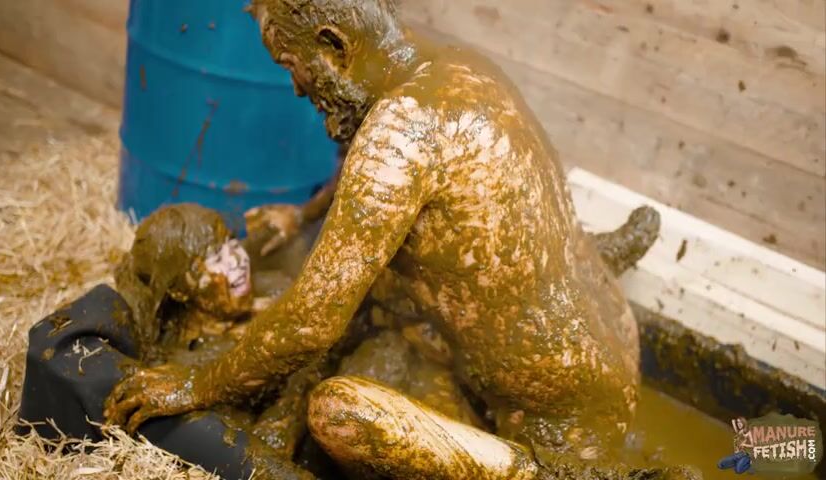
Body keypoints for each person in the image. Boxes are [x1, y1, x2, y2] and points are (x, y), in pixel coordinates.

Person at [106, 1, 680, 477]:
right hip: (611, 340)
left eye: (292, 65)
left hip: (564, 431)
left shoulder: (400, 132)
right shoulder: (457, 67)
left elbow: (310, 322)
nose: (297, 88)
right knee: (407, 289)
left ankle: (545, 474)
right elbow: (376, 167)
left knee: (337, 411)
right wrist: (304, 214)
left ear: (333, 47)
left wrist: (198, 384)